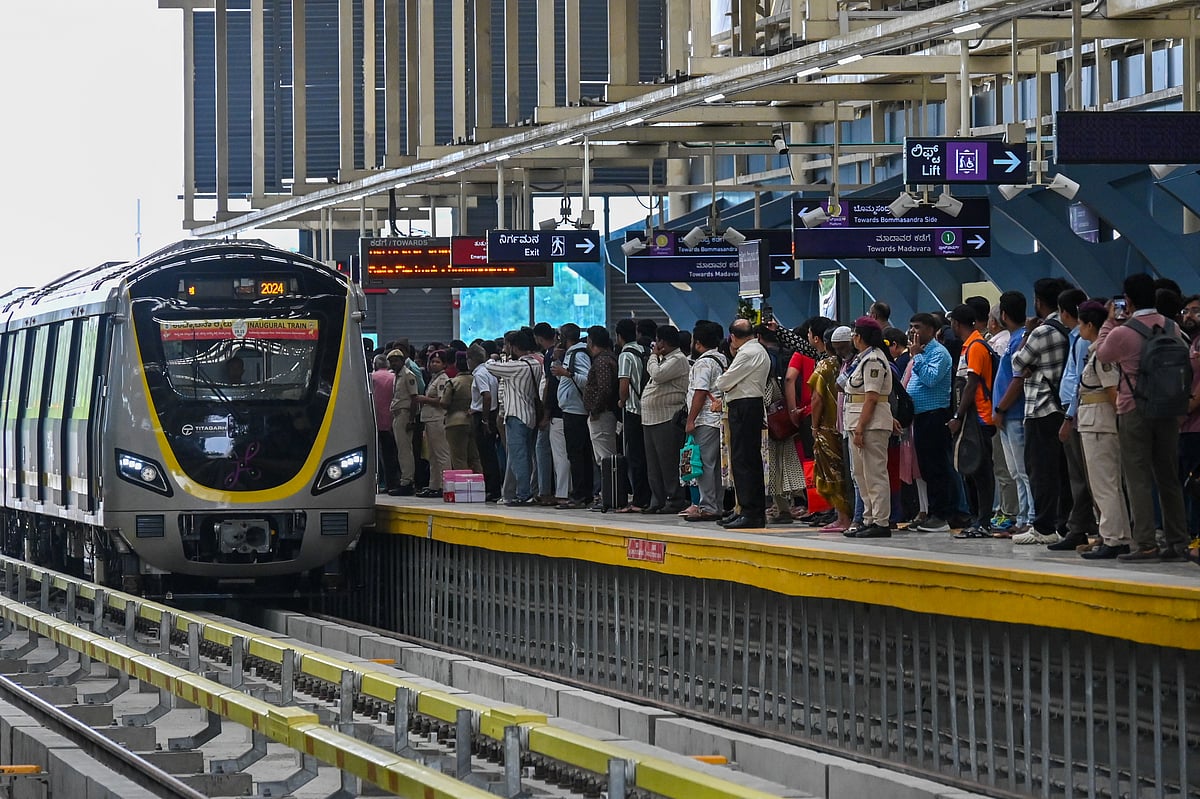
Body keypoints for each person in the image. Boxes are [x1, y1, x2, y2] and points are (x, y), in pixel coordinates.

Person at [1097, 273, 1190, 562]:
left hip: (1133, 408)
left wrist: (1110, 320)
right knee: (1168, 476)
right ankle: (1177, 541)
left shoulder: (1123, 332)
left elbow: (1102, 354)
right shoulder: (1173, 327)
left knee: (1138, 477)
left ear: (1129, 300)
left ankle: (1146, 543)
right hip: (1168, 409)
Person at [1011, 278, 1072, 545]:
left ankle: (1043, 527)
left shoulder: (1041, 331)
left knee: (1040, 470)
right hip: (1062, 407)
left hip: (1040, 406)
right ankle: (1064, 523)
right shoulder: (1069, 327)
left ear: (1038, 301)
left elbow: (1018, 362)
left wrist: (1026, 333)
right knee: (1062, 471)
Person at [1073, 301, 1133, 559]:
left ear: (1090, 325)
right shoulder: (1097, 351)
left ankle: (1113, 538)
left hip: (1101, 424)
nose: (1079, 328)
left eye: (1081, 323)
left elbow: (1112, 392)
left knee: (1104, 485)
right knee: (1108, 485)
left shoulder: (1102, 355)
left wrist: (1120, 423)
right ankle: (1117, 535)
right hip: (1095, 422)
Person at [1047, 288, 1099, 551]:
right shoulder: (1077, 337)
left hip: (1079, 413)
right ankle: (1084, 526)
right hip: (1076, 410)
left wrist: (1068, 418)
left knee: (1082, 476)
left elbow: (1081, 381)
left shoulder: (1083, 340)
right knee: (1079, 475)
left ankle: (1081, 528)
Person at [842, 316, 895, 538]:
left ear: (861, 337)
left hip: (871, 424)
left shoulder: (874, 360)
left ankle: (881, 521)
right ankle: (868, 517)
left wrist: (862, 428)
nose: (853, 337)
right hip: (857, 422)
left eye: (855, 333)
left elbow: (871, 398)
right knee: (860, 474)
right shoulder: (861, 359)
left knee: (874, 473)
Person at [946, 305, 996, 539]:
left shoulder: (976, 347)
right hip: (971, 417)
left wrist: (958, 416)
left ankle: (984, 521)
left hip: (979, 417)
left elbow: (972, 384)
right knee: (971, 471)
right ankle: (978, 519)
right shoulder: (968, 346)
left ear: (957, 323)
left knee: (982, 471)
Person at [716, 319, 771, 529]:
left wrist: (729, 384)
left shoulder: (748, 353)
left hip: (745, 406)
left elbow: (723, 382)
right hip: (748, 406)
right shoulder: (757, 349)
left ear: (733, 336)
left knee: (744, 460)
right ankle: (746, 510)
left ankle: (751, 512)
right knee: (745, 459)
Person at [905, 313, 956, 532]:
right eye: (911, 327)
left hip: (935, 415)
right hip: (921, 416)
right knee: (925, 467)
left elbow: (930, 379)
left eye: (917, 327)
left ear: (931, 329)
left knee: (936, 467)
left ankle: (941, 515)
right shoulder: (923, 353)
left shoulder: (938, 353)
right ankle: (932, 512)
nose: (913, 332)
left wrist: (916, 357)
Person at [990, 292, 1033, 537]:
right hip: (1007, 415)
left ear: (1003, 315)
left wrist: (1001, 408)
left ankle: (1030, 518)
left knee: (1023, 470)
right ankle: (1022, 516)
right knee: (1015, 471)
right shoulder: (1016, 339)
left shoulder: (1019, 341)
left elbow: (1017, 380)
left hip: (1013, 413)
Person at [485, 328, 543, 506]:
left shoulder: (516, 366)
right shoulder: (536, 363)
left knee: (519, 458)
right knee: (528, 457)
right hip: (531, 415)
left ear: (514, 347)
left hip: (515, 415)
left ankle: (523, 494)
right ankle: (530, 491)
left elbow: (489, 367)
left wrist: (493, 357)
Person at [641, 325, 690, 514]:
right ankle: (657, 499)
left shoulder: (678, 359)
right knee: (653, 464)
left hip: (666, 417)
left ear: (663, 342)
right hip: (651, 418)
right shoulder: (666, 359)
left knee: (668, 462)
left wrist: (653, 355)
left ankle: (675, 499)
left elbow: (658, 375)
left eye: (658, 341)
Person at [809, 325, 854, 531]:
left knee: (833, 472)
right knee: (849, 471)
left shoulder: (825, 367)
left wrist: (814, 426)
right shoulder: (851, 363)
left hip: (828, 426)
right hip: (846, 424)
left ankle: (842, 517)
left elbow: (817, 399)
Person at [683, 321, 727, 522]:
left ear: (698, 342)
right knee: (716, 465)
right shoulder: (721, 359)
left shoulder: (703, 363)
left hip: (706, 419)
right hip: (718, 419)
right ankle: (716, 504)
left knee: (705, 464)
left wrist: (690, 420)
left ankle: (708, 506)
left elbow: (700, 392)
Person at [553, 324, 594, 509]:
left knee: (577, 454)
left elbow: (587, 380)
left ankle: (580, 495)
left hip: (576, 411)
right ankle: (582, 493)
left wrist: (567, 373)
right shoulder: (569, 354)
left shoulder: (579, 354)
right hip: (569, 408)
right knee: (577, 453)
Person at [616, 318, 651, 512]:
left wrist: (622, 400)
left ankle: (638, 500)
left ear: (619, 336)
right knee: (647, 457)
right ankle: (648, 496)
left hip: (633, 410)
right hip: (649, 409)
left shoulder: (625, 355)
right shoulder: (644, 350)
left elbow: (624, 384)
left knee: (635, 457)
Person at [583, 326, 621, 493]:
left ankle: (610, 494)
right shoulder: (609, 358)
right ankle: (608, 493)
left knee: (605, 457)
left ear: (591, 341)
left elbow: (604, 388)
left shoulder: (602, 361)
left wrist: (595, 409)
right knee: (604, 456)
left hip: (602, 414)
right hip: (605, 413)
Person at [414, 350, 452, 498]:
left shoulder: (443, 379)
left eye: (437, 362)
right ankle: (433, 485)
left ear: (444, 364)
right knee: (433, 455)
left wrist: (424, 399)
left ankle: (444, 485)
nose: (433, 364)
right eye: (432, 361)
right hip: (429, 419)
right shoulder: (433, 379)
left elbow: (442, 400)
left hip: (437, 418)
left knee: (442, 454)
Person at [468, 345, 501, 500]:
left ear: (471, 360)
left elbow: (486, 396)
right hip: (490, 413)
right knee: (490, 454)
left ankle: (492, 489)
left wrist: (484, 420)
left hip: (483, 416)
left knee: (486, 455)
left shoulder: (480, 374)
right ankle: (493, 487)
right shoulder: (489, 371)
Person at [387, 347, 418, 495]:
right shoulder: (397, 376)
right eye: (391, 361)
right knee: (401, 450)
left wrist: (411, 419)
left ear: (401, 361)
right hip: (397, 414)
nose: (393, 364)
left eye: (396, 361)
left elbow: (414, 398)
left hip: (405, 415)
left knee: (405, 451)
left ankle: (407, 481)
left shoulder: (408, 375)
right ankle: (405, 479)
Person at [370, 354, 402, 494]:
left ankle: (383, 482)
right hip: (393, 419)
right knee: (394, 453)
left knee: (381, 455)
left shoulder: (372, 378)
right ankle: (395, 482)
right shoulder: (394, 377)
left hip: (376, 419)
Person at [444, 351, 480, 473]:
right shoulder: (475, 379)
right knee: (474, 457)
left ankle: (463, 487)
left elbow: (445, 403)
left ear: (456, 365)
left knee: (459, 458)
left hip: (455, 421)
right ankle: (480, 484)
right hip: (473, 420)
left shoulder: (453, 382)